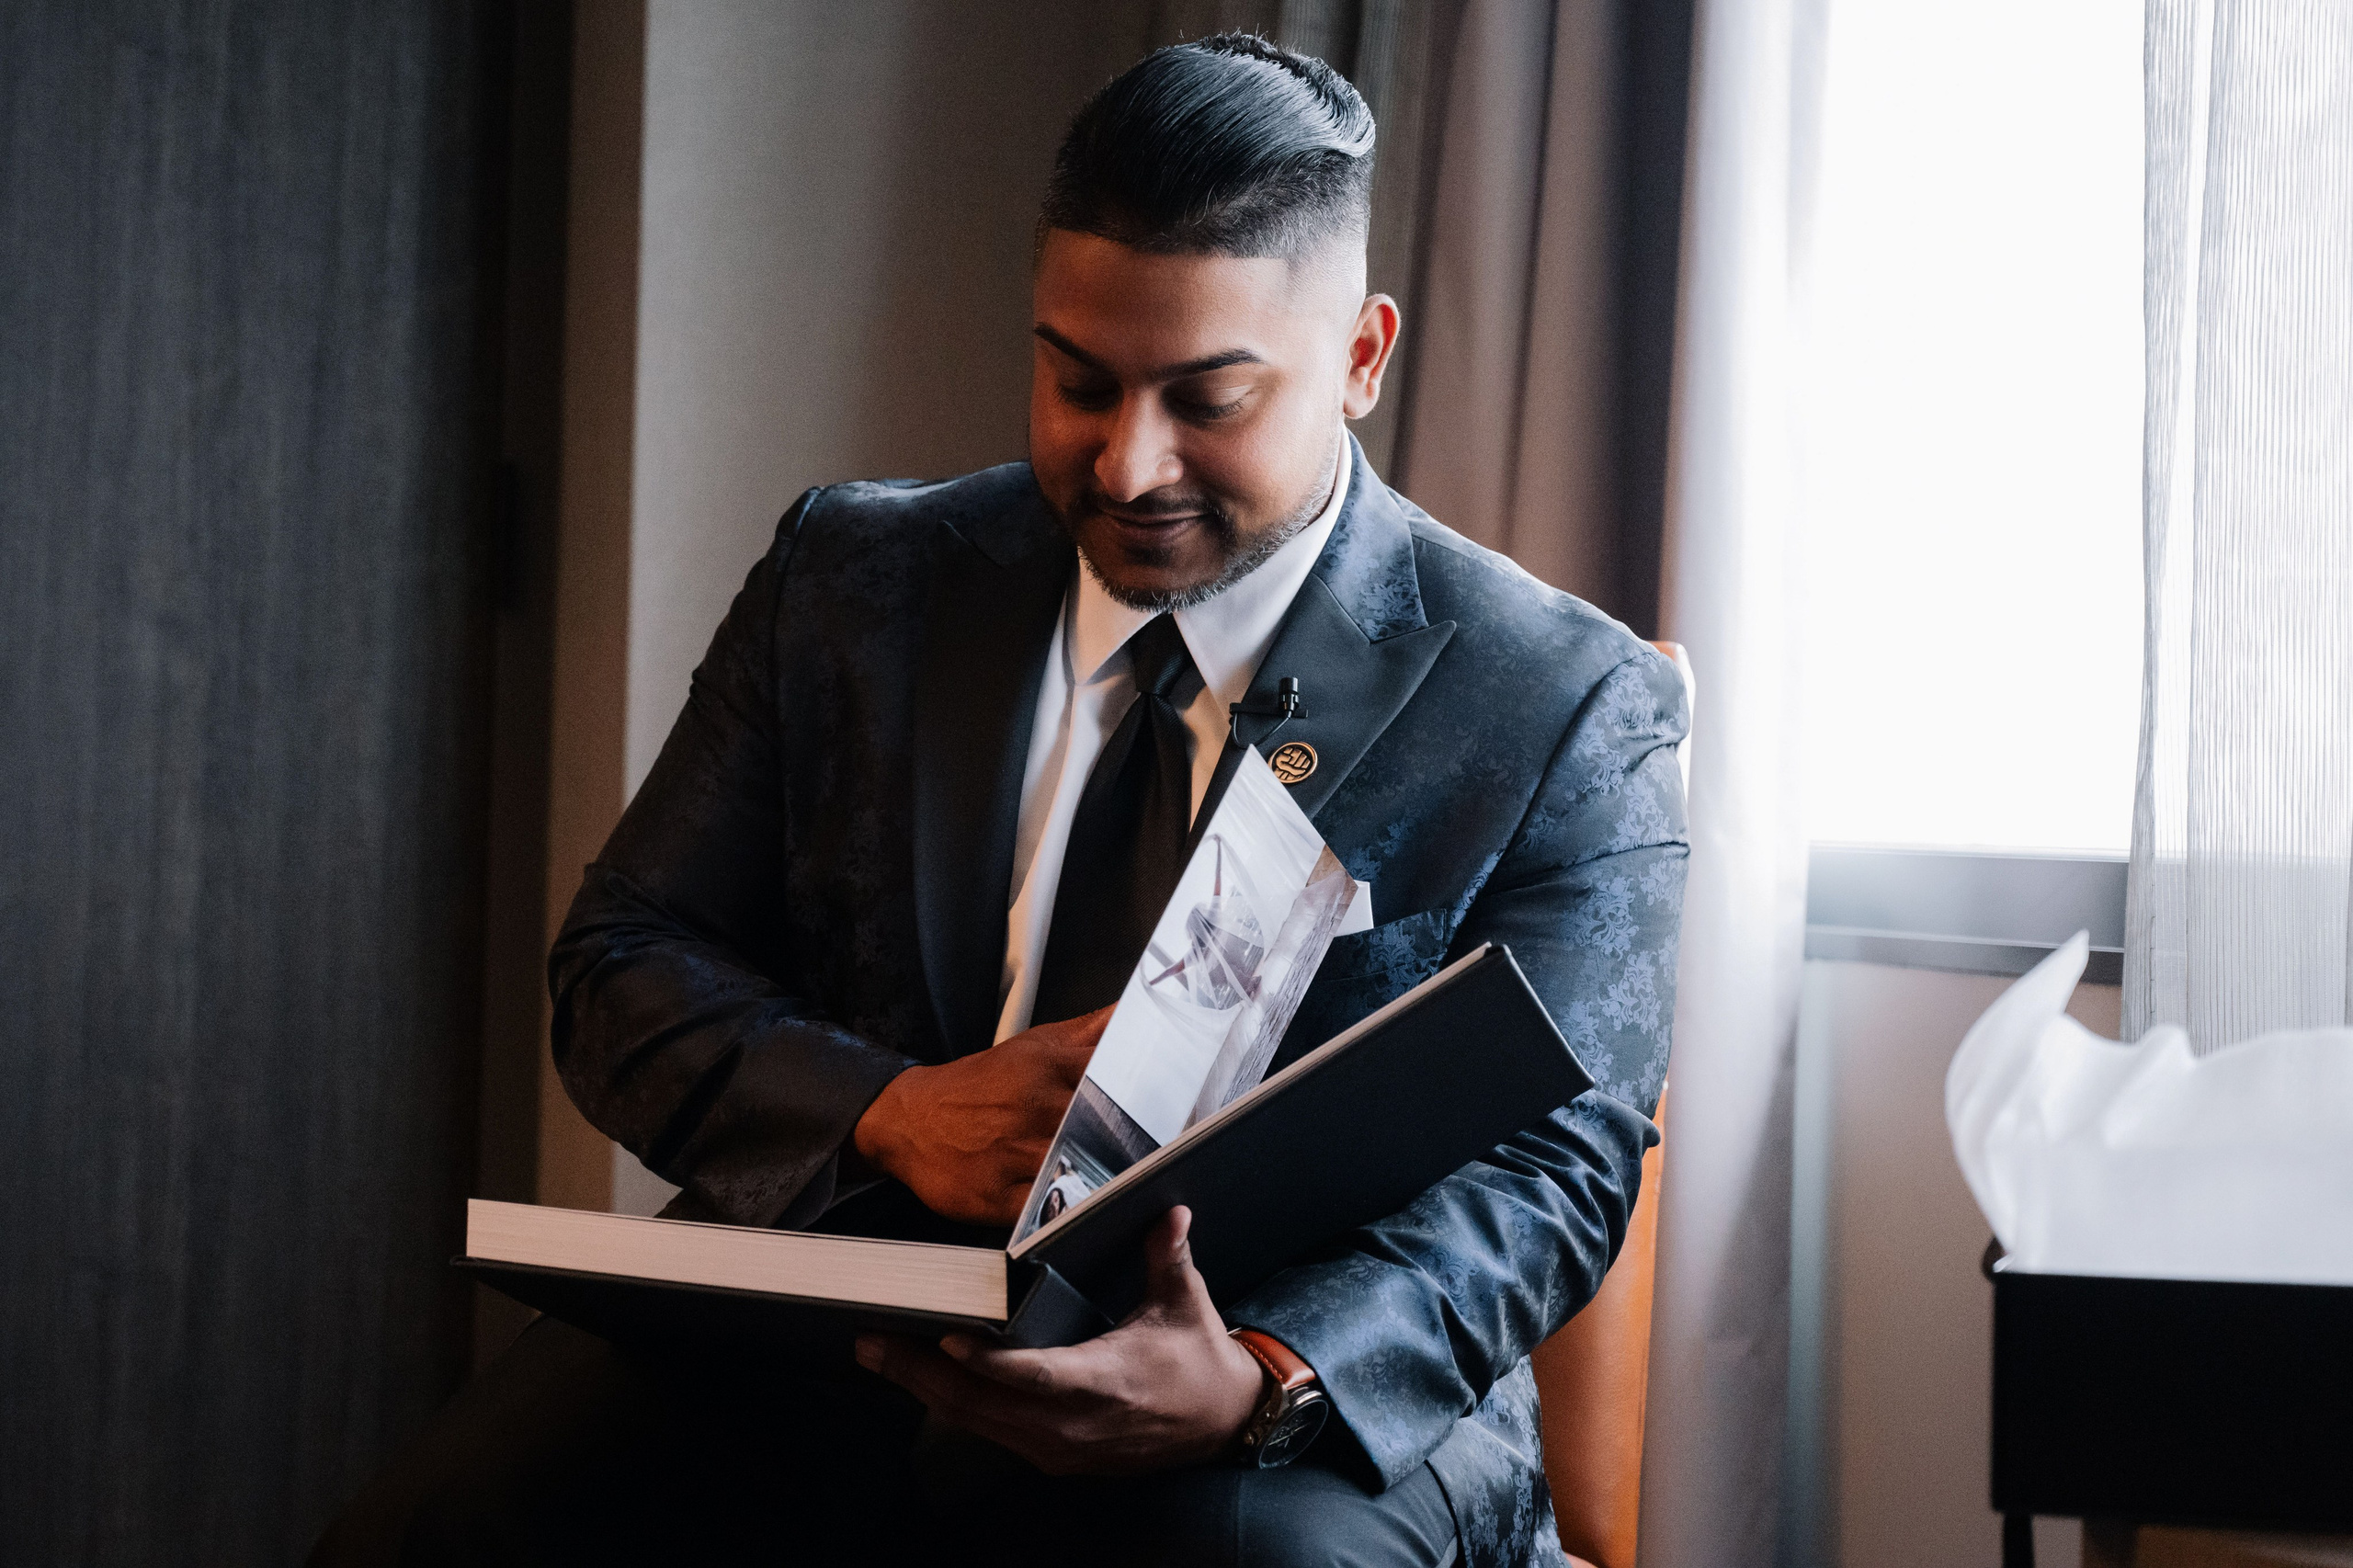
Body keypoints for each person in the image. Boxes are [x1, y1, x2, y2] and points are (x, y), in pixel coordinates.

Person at [313, 33, 1687, 1568]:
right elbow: (619, 965)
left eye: (1207, 398)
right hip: (833, 1315)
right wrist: (889, 1111)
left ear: (1362, 357)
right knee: (433, 1530)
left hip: (1283, 1383)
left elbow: (1560, 1164)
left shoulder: (1566, 697)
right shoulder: (850, 576)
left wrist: (1261, 1378)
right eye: (1076, 380)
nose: (1126, 459)